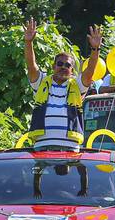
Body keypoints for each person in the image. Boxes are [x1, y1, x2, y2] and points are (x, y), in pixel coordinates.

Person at [24, 17, 101, 150]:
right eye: (60, 64)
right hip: (42, 145)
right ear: (53, 66)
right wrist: (28, 42)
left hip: (70, 146)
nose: (63, 67)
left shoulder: (77, 85)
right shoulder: (42, 82)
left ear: (72, 71)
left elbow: (90, 71)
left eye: (68, 65)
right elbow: (31, 65)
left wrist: (95, 49)